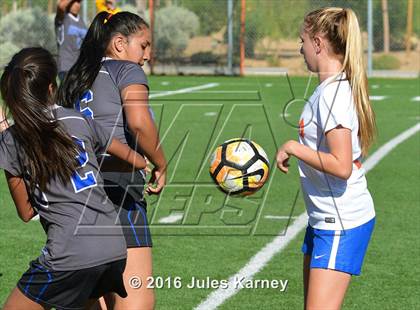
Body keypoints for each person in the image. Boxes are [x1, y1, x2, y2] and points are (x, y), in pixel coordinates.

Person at [0, 47, 147, 310]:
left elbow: (25, 211)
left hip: (70, 253)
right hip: (113, 246)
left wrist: (4, 131)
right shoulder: (79, 119)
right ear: (51, 88)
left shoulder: (11, 140)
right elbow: (137, 161)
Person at [59, 11, 167, 309]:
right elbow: (139, 123)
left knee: (98, 297)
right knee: (136, 295)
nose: (147, 54)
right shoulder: (125, 70)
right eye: (143, 45)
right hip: (119, 191)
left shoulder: (73, 78)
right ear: (120, 44)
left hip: (77, 193)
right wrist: (160, 163)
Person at [276, 7, 376, 310]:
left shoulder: (333, 95)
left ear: (318, 43)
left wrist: (294, 147)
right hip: (324, 218)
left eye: (302, 41)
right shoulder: (329, 90)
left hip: (340, 221)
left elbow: (341, 165)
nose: (300, 48)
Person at [55, 0, 88, 81]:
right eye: (74, 2)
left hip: (79, 67)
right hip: (66, 66)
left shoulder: (81, 20)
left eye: (79, 2)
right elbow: (60, 6)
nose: (77, 4)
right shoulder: (63, 18)